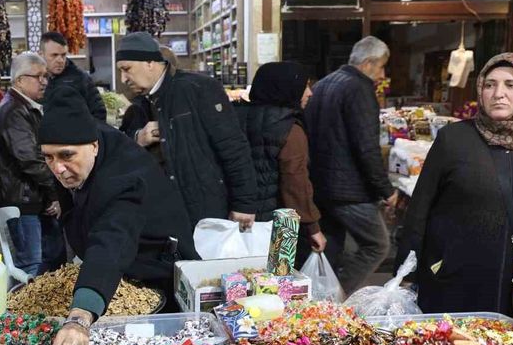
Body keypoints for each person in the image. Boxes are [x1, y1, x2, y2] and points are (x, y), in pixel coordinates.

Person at [399, 53, 513, 316]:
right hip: (460, 281)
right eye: (490, 84)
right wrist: (404, 275)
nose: (499, 94)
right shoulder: (454, 139)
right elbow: (419, 211)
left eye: (511, 85)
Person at [40, 91, 198, 345]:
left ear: (94, 146)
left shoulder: (123, 177)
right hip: (115, 267)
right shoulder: (78, 148)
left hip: (156, 269)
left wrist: (80, 316)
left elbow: (112, 241)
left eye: (66, 156)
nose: (58, 168)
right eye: (48, 157)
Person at [116, 31, 257, 231]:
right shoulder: (139, 104)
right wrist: (138, 137)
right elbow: (122, 150)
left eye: (126, 69)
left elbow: (233, 147)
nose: (123, 78)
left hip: (206, 211)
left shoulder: (198, 89)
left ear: (149, 63)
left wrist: (244, 203)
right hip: (163, 215)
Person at [305, 36, 397, 295]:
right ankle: (337, 297)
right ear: (368, 63)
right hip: (349, 190)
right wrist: (385, 189)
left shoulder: (323, 84)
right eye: (381, 67)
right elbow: (366, 147)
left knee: (330, 246)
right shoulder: (359, 89)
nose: (382, 75)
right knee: (377, 245)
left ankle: (319, 300)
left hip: (320, 185)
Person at [238, 62, 326, 266]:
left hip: (236, 219)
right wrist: (313, 228)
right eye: (305, 86)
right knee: (277, 280)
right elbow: (295, 184)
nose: (310, 93)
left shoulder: (235, 116)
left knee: (239, 278)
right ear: (288, 88)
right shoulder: (289, 129)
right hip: (278, 225)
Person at [0, 52, 65, 277]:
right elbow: (31, 160)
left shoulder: (27, 107)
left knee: (49, 266)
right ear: (20, 80)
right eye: (38, 76)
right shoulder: (14, 111)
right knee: (31, 268)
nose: (44, 81)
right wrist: (56, 192)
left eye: (45, 76)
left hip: (34, 200)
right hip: (23, 203)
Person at [40, 31, 106, 123]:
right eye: (54, 55)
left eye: (63, 55)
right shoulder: (35, 79)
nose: (60, 60)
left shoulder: (80, 78)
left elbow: (99, 113)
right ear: (41, 55)